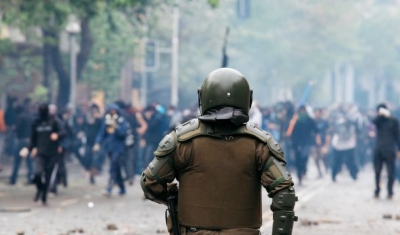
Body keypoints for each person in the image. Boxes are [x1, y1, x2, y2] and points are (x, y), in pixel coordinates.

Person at [141, 68, 297, 235]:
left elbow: (150, 183)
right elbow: (284, 194)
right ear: (247, 99)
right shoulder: (260, 144)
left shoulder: (181, 141)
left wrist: (176, 199)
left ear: (202, 97)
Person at [20, 103, 65, 205]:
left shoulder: (54, 121)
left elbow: (64, 132)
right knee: (37, 174)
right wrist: (28, 149)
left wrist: (57, 135)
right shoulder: (36, 123)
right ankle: (40, 189)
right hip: (40, 153)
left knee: (48, 176)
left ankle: (44, 196)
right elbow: (33, 140)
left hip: (52, 153)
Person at [93, 103, 128, 196]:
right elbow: (102, 133)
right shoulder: (107, 121)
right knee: (116, 168)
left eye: (114, 111)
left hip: (119, 148)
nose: (112, 113)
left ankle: (109, 187)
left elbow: (123, 134)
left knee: (113, 166)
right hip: (110, 147)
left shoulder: (121, 121)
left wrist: (116, 126)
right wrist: (97, 143)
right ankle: (122, 187)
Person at [372, 104, 400, 199]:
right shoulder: (379, 121)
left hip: (390, 149)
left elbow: (397, 136)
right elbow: (373, 122)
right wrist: (380, 115)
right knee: (377, 172)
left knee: (391, 172)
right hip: (379, 149)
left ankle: (390, 191)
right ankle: (377, 190)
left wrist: (399, 149)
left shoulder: (394, 121)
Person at [290, 106, 320, 185]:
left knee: (305, 158)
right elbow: (289, 131)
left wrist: (317, 139)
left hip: (306, 142)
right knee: (297, 160)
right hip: (296, 143)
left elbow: (316, 130)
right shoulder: (294, 120)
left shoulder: (309, 120)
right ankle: (299, 176)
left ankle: (304, 172)